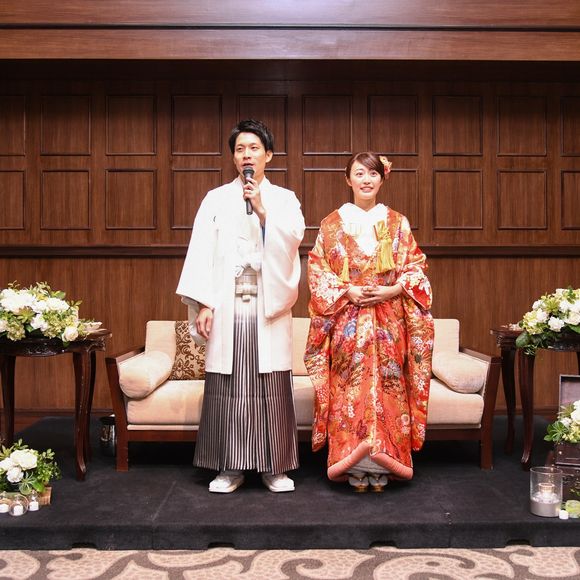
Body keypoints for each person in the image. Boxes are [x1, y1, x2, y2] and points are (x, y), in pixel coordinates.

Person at [176, 119, 305, 493]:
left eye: (254, 148)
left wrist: (264, 212)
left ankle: (274, 467)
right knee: (228, 383)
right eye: (240, 149)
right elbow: (201, 253)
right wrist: (204, 303)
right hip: (226, 303)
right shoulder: (215, 199)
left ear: (269, 155)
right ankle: (229, 467)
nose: (247, 155)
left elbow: (293, 241)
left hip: (267, 305)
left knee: (271, 383)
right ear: (233, 157)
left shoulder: (285, 199)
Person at [304, 151, 434, 492]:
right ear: (348, 179)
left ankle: (385, 463)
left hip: (388, 321)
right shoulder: (332, 224)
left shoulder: (397, 223)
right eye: (359, 173)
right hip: (347, 321)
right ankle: (353, 465)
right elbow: (318, 269)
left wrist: (392, 289)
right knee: (348, 388)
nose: (366, 180)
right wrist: (347, 291)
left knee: (389, 387)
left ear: (382, 178)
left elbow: (416, 267)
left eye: (372, 173)